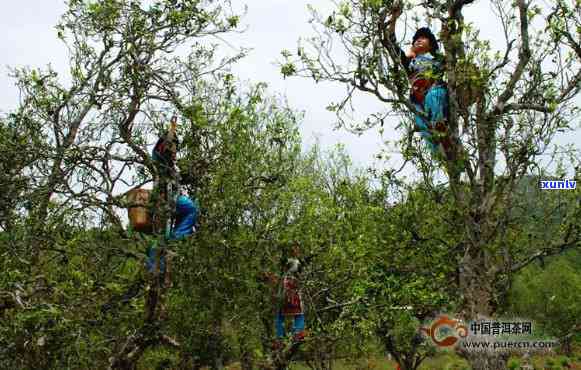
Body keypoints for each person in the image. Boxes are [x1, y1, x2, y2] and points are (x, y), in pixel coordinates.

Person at [382, 9, 455, 160]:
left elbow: (454, 55)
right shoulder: (410, 62)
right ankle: (442, 154)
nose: (418, 40)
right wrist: (393, 18)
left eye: (423, 38)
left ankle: (442, 131)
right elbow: (391, 42)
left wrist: (448, 29)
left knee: (432, 97)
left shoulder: (439, 59)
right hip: (418, 101)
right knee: (422, 124)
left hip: (437, 92)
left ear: (431, 43)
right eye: (416, 39)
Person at [265, 245, 306, 347]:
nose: (297, 250)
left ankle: (284, 337)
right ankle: (291, 335)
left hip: (289, 289)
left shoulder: (293, 261)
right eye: (295, 248)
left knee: (290, 313)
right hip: (289, 289)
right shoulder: (294, 262)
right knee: (291, 313)